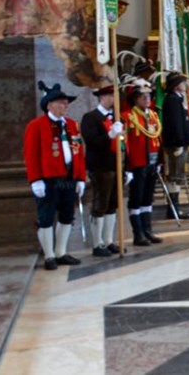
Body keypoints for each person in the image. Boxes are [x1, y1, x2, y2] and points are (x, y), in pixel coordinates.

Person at [24, 82, 86, 271]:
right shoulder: (36, 125)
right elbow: (30, 154)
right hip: (48, 179)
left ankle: (61, 252)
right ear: (49, 105)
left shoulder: (72, 125)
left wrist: (81, 177)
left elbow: (78, 151)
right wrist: (35, 180)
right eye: (61, 102)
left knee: (67, 216)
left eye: (66, 103)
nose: (65, 106)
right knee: (46, 217)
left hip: (69, 178)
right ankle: (49, 255)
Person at [81, 85, 126, 256]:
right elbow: (92, 142)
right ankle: (97, 243)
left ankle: (109, 240)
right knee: (100, 203)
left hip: (116, 165)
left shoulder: (117, 117)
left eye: (114, 96)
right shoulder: (90, 118)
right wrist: (109, 135)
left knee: (113, 204)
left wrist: (126, 166)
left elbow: (123, 144)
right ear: (101, 97)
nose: (112, 99)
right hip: (100, 166)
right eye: (109, 96)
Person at [122, 81, 164, 246]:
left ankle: (148, 230)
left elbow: (158, 139)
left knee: (148, 198)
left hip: (152, 163)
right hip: (137, 164)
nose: (147, 99)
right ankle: (138, 233)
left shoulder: (153, 115)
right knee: (136, 198)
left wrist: (160, 161)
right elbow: (126, 144)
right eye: (143, 97)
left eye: (149, 96)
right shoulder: (127, 116)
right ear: (136, 99)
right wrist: (128, 167)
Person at [160, 72, 189, 219]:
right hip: (176, 145)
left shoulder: (177, 99)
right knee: (175, 176)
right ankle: (173, 209)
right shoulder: (172, 100)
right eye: (183, 82)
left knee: (178, 176)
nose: (185, 85)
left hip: (180, 143)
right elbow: (175, 124)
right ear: (176, 86)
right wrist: (178, 143)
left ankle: (174, 207)